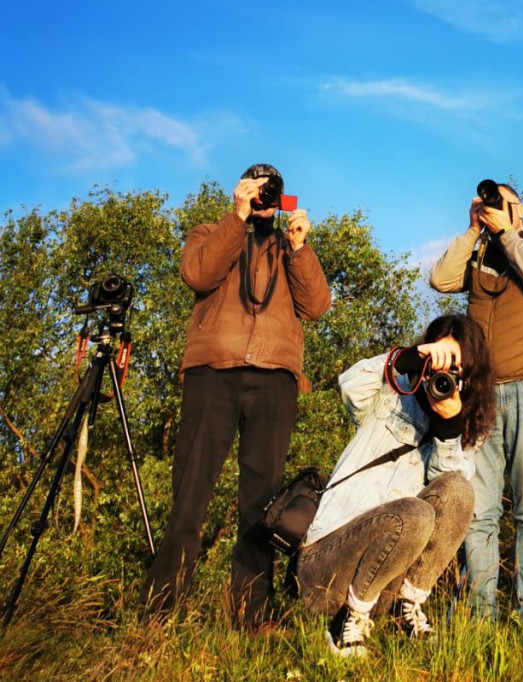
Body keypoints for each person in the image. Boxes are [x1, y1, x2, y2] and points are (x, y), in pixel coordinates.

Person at [141, 163, 332, 630]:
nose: (263, 196)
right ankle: (160, 610)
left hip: (274, 378)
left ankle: (250, 614)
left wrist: (300, 247)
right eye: (256, 188)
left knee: (262, 502)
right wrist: (237, 217)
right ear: (242, 190)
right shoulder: (210, 231)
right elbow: (198, 274)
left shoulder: (291, 248)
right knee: (190, 492)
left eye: (270, 191)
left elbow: (317, 305)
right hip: (213, 372)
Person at [297, 315, 496, 657]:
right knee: (413, 512)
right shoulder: (391, 394)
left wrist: (448, 426)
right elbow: (349, 385)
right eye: (439, 364)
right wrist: (405, 359)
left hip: (381, 584)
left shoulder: (461, 432)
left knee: (459, 490)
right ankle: (346, 623)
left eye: (455, 370)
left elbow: (451, 496)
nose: (443, 378)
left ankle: (405, 610)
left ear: (470, 379)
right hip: (325, 570)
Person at [429, 182, 523, 621]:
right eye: (485, 204)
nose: (490, 210)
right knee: (480, 509)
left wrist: (507, 233)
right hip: (480, 391)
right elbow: (441, 279)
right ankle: (481, 616)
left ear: (518, 208)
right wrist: (473, 231)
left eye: (498, 202)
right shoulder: (478, 255)